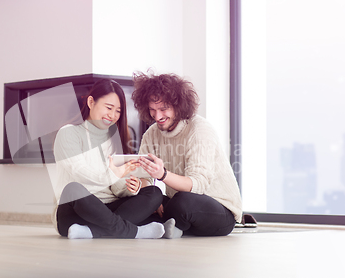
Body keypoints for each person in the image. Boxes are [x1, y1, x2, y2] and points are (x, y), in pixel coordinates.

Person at [132, 72, 243, 238]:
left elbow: (198, 185)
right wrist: (150, 195)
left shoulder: (199, 129)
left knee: (182, 201)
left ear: (178, 105)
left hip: (219, 210)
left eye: (164, 109)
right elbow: (143, 176)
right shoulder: (152, 133)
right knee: (143, 200)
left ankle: (168, 226)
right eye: (153, 110)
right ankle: (173, 227)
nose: (158, 116)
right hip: (181, 204)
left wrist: (162, 175)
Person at [52, 79, 165, 239]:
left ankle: (91, 232)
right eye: (109, 107)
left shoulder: (114, 139)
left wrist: (131, 187)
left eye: (118, 111)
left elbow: (116, 188)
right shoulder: (68, 133)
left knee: (153, 192)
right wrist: (114, 174)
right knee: (73, 189)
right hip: (75, 212)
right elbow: (80, 175)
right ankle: (135, 232)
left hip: (109, 210)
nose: (112, 115)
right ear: (91, 102)